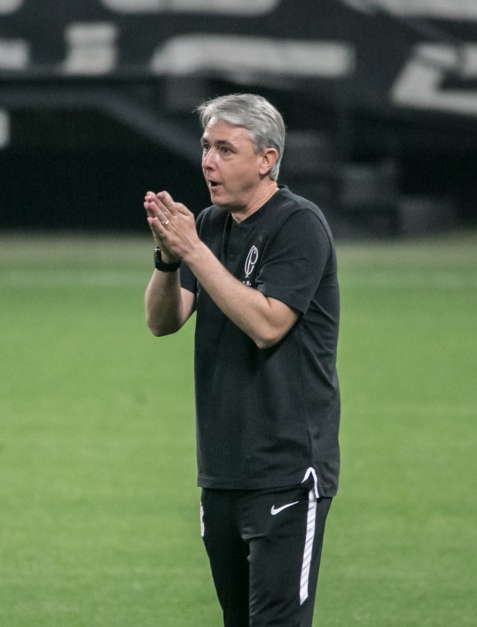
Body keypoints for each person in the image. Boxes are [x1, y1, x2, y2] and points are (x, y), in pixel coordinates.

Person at [142, 93, 340, 627]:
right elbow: (163, 320)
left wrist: (196, 252)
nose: (209, 161)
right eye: (206, 147)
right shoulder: (208, 224)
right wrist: (167, 257)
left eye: (226, 149)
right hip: (223, 471)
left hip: (286, 468)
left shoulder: (298, 224)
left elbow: (268, 323)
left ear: (267, 159)